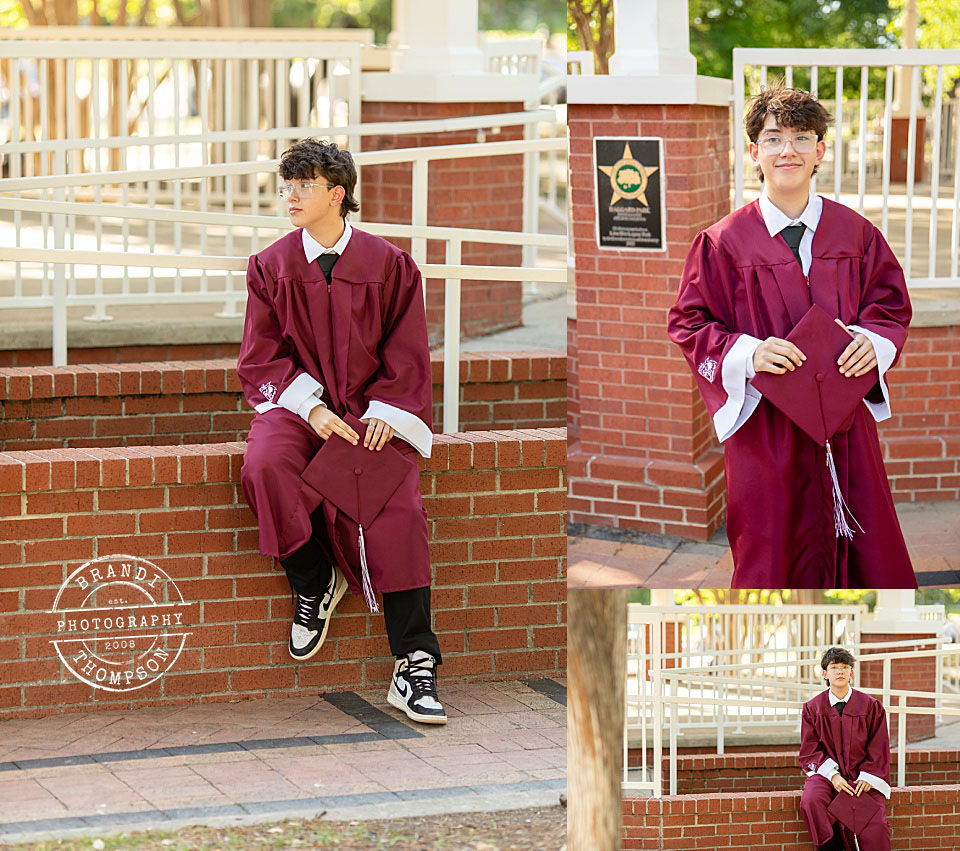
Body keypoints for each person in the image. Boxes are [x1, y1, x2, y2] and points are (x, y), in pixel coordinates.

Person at [667, 84, 914, 588]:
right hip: (766, 426)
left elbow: (889, 306)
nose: (788, 150)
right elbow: (688, 323)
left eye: (802, 138)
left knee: (868, 548)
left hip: (844, 424)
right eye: (774, 138)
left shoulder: (856, 234)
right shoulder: (722, 242)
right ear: (754, 152)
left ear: (820, 151)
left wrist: (876, 341)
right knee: (771, 548)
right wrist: (749, 351)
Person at [236, 138, 446, 725]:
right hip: (299, 409)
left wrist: (386, 411)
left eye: (304, 185)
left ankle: (415, 662)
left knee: (398, 508)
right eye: (287, 185)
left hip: (369, 411)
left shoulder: (388, 265)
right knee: (265, 466)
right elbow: (260, 357)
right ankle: (313, 578)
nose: (291, 195)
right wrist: (309, 407)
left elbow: (408, 353)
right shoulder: (270, 266)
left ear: (338, 193)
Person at [798, 648, 892, 851]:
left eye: (844, 667)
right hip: (827, 775)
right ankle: (831, 847)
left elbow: (879, 746)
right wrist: (833, 776)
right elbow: (810, 749)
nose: (839, 672)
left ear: (851, 673)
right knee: (812, 801)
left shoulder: (871, 707)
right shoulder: (812, 709)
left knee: (875, 826)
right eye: (834, 668)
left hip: (861, 777)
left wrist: (868, 777)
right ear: (825, 673)